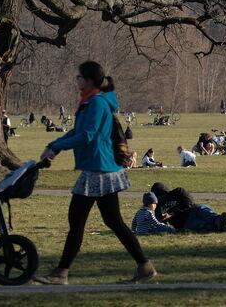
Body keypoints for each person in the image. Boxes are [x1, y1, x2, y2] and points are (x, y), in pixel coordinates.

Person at [35, 61, 155, 285]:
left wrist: (56, 147)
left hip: (99, 170)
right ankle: (145, 267)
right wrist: (54, 145)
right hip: (97, 168)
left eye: (79, 77)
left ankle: (61, 273)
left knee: (81, 221)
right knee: (112, 222)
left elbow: (87, 135)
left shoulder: (97, 102)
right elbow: (77, 131)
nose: (76, 80)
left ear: (89, 80)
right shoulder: (90, 102)